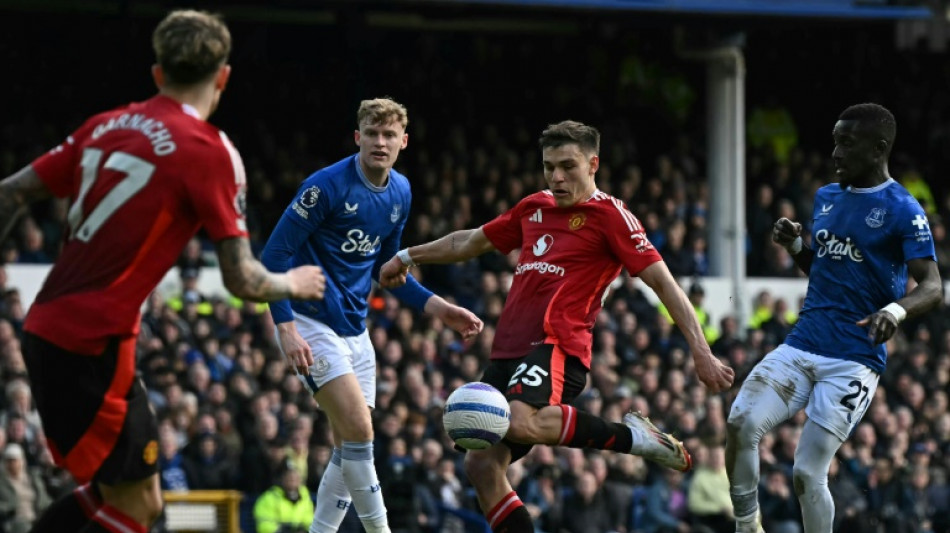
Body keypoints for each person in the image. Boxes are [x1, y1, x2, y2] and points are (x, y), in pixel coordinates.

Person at [0, 10, 327, 533]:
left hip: (59, 330)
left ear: (157, 74)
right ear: (223, 77)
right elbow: (242, 279)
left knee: (129, 494)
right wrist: (293, 282)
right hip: (91, 344)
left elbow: (11, 191)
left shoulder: (103, 125)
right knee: (135, 507)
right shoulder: (210, 151)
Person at [379, 120, 734, 533]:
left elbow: (663, 283)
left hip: (558, 343)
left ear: (593, 164)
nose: (557, 176)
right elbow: (470, 241)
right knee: (480, 462)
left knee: (515, 419)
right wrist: (407, 256)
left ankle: (634, 439)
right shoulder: (534, 207)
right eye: (549, 166)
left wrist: (702, 352)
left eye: (568, 165)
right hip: (507, 350)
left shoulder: (611, 216)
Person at [260, 97, 483, 533]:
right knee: (362, 432)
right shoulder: (325, 187)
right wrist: (285, 327)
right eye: (372, 135)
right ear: (358, 138)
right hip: (308, 321)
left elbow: (388, 268)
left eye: (389, 136)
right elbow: (274, 255)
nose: (380, 143)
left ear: (404, 141)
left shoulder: (401, 191)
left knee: (348, 446)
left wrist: (440, 308)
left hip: (355, 329)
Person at [725, 103, 943, 533]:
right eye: (835, 142)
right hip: (804, 340)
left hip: (854, 358)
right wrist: (795, 248)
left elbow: (933, 286)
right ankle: (747, 524)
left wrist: (895, 311)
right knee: (740, 423)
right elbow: (826, 268)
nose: (835, 153)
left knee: (807, 473)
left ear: (879, 148)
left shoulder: (903, 208)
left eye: (846, 143)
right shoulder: (826, 197)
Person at [253, 462, 314, 533]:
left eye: (296, 478)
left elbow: (309, 520)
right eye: (289, 477)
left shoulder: (305, 497)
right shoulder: (269, 498)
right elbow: (264, 525)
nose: (293, 480)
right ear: (282, 479)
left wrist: (303, 530)